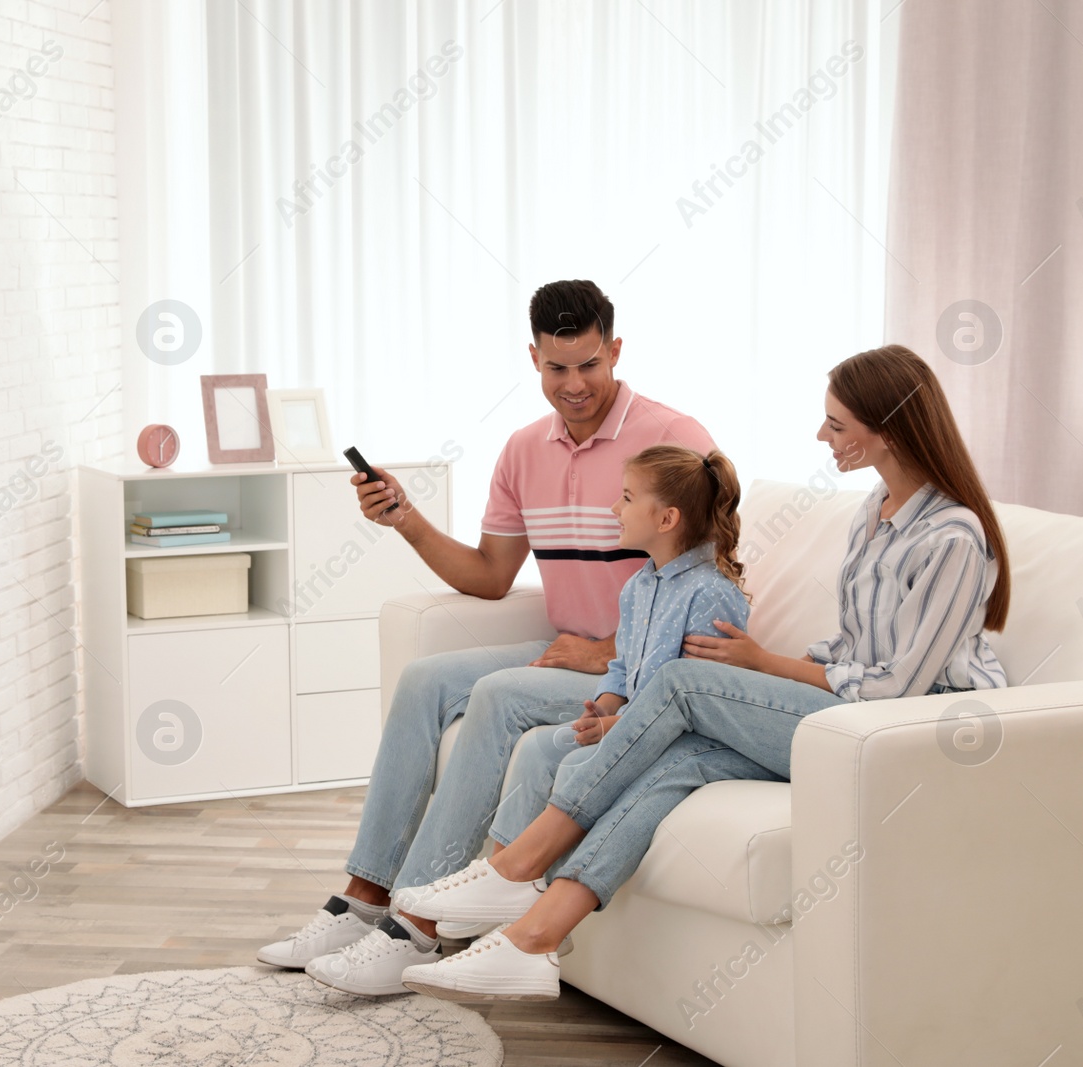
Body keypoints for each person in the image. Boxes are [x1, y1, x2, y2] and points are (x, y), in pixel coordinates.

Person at [398, 344, 1012, 1001]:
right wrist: (778, 677)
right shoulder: (876, 511)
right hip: (843, 716)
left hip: (905, 735)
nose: (821, 436)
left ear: (884, 429)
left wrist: (762, 665)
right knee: (678, 759)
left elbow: (899, 687)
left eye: (835, 424)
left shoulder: (952, 537)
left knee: (683, 682)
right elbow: (854, 644)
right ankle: (533, 939)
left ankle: (516, 862)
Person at [255, 280, 717, 997]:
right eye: (556, 369)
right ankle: (364, 898)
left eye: (589, 365)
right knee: (426, 678)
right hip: (570, 653)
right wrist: (404, 518)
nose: (574, 386)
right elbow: (490, 575)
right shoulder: (523, 450)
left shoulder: (674, 440)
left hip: (634, 670)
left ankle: (413, 929)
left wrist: (607, 653)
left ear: (616, 351)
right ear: (533, 358)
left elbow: (713, 585)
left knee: (498, 697)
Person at [389, 443, 758, 937]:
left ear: (667, 518)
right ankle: (497, 883)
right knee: (546, 744)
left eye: (626, 498)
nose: (614, 509)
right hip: (631, 725)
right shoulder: (641, 586)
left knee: (558, 752)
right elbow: (624, 669)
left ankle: (499, 885)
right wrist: (602, 706)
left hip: (672, 736)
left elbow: (698, 699)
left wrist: (616, 725)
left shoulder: (710, 592)